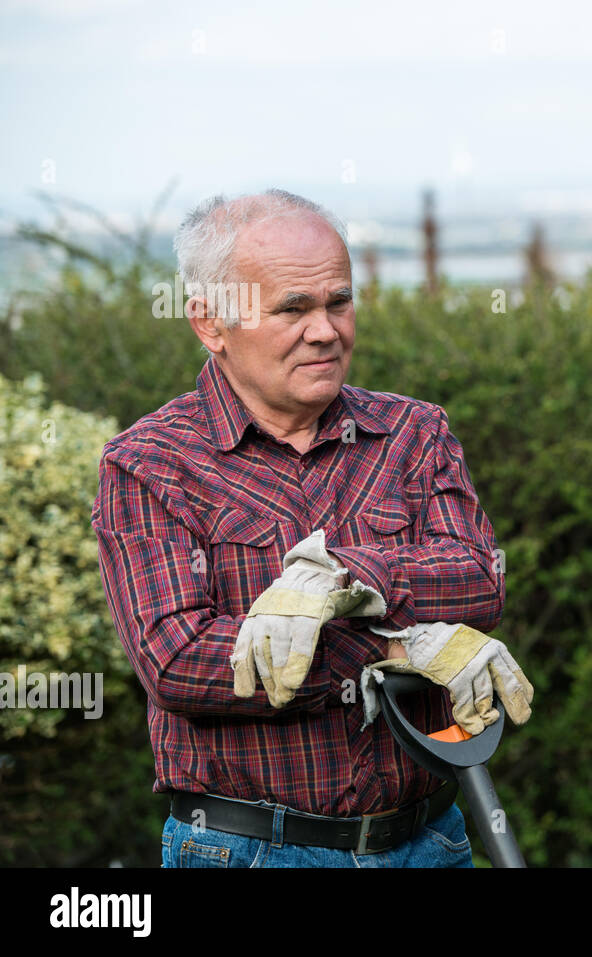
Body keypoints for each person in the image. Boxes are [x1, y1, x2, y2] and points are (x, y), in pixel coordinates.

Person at [92, 189, 532, 868]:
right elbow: (176, 660)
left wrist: (346, 580)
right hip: (247, 849)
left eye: (339, 301)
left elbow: (476, 575)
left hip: (428, 842)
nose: (326, 329)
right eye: (293, 308)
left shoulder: (413, 433)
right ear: (210, 323)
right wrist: (399, 651)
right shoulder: (149, 463)